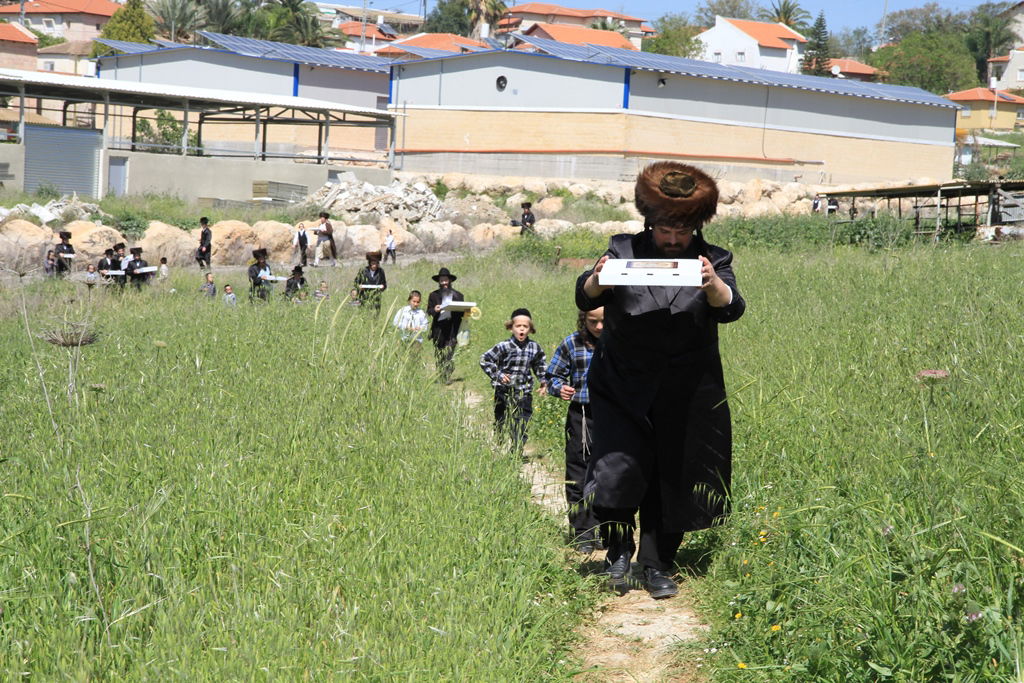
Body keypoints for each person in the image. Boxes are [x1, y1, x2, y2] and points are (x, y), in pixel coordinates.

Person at [576, 161, 745, 600]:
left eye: (681, 233)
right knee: (618, 469)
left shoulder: (715, 259)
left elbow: (732, 306)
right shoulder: (622, 249)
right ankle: (617, 550)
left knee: (673, 475)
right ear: (649, 221)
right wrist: (596, 279)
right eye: (665, 231)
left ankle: (657, 564)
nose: (672, 240)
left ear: (696, 227)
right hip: (622, 384)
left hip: (686, 389)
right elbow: (585, 295)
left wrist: (712, 285)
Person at [545, 307, 604, 553]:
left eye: (604, 321)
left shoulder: (622, 341)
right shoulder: (572, 343)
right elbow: (551, 376)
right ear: (583, 320)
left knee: (608, 474)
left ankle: (605, 530)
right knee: (579, 473)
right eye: (593, 321)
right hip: (582, 415)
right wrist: (559, 388)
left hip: (614, 416)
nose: (599, 327)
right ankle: (582, 533)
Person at [480, 308, 546, 457]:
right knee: (501, 418)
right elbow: (485, 359)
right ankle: (500, 437)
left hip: (524, 391)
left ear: (530, 329)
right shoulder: (504, 346)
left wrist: (543, 381)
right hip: (503, 390)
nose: (521, 329)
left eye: (525, 326)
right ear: (511, 328)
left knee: (522, 420)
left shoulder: (534, 347)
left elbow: (540, 364)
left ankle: (516, 450)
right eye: (518, 326)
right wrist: (498, 375)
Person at [426, 267, 465, 384]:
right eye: (441, 280)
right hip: (439, 328)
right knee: (439, 353)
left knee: (449, 353)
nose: (444, 283)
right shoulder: (433, 295)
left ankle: (447, 375)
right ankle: (440, 375)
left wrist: (464, 310)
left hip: (453, 328)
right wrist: (435, 309)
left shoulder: (458, 295)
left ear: (450, 281)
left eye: (446, 280)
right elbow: (429, 311)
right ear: (439, 282)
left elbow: (462, 312)